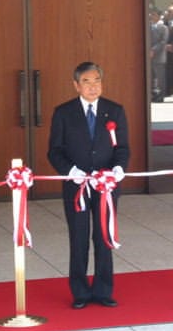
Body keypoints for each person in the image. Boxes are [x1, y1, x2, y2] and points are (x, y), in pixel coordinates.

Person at [47, 61, 130, 309]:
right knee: (79, 237)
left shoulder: (114, 110)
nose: (93, 87)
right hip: (77, 186)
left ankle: (104, 290)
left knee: (103, 236)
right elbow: (54, 151)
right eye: (86, 81)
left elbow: (122, 147)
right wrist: (72, 172)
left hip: (106, 186)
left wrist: (117, 169)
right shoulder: (63, 112)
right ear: (76, 85)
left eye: (97, 81)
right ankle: (80, 292)